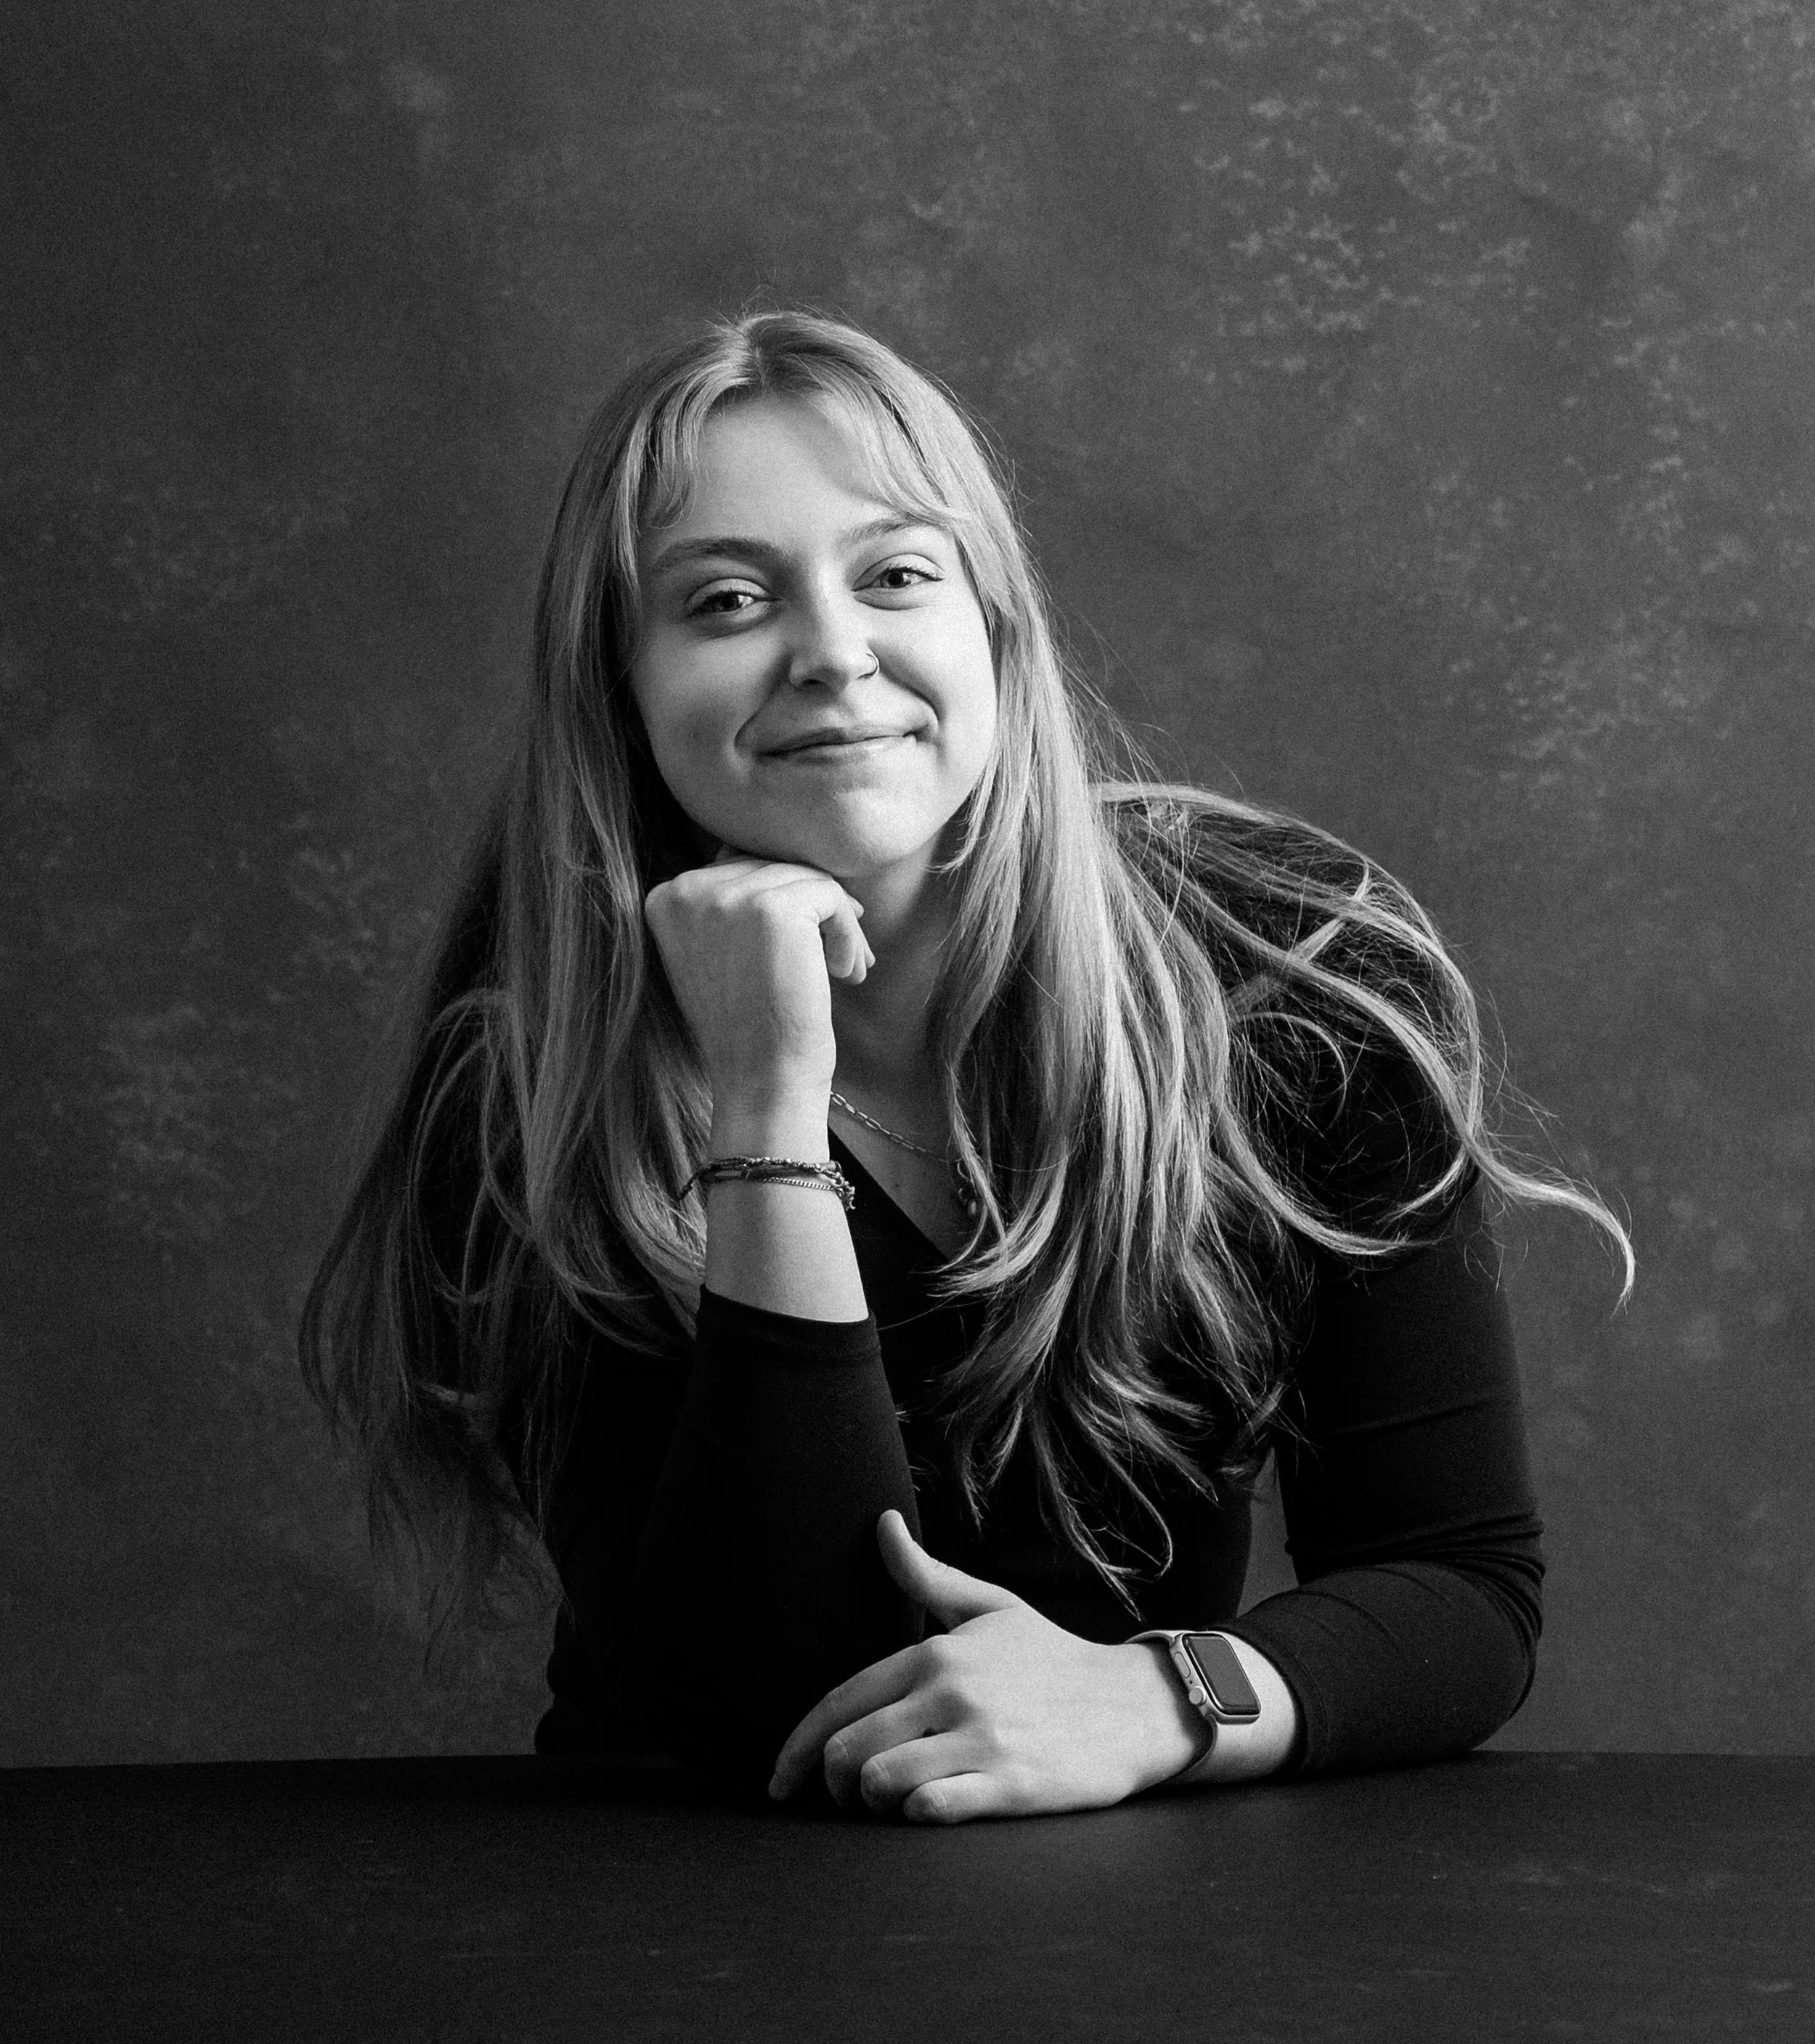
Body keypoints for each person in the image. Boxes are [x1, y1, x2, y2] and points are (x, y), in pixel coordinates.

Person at [300, 308, 1633, 1823]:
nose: (831, 652)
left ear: (996, 630)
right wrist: (765, 1109)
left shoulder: (1300, 977)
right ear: (623, 685)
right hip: (672, 1920)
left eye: (894, 576)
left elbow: (1457, 1586)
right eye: (726, 599)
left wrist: (1159, 1695)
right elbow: (786, 1706)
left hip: (1119, 1895)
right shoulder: (536, 1075)